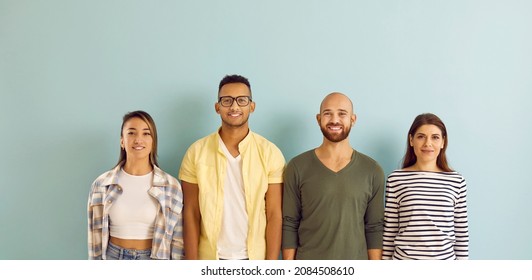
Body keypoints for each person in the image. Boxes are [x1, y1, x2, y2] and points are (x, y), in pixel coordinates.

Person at [179, 74, 285, 260]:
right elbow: (191, 212)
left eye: (242, 100)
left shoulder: (270, 153)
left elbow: (275, 214)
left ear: (252, 106)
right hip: (210, 258)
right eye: (227, 101)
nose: (234, 106)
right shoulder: (196, 152)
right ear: (217, 107)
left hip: (255, 259)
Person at [282, 92, 385, 260]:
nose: (334, 120)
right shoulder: (297, 166)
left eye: (342, 114)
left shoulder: (372, 171)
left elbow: (374, 227)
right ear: (318, 119)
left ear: (353, 119)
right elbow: (290, 222)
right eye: (327, 113)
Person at [87, 110, 184, 260]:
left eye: (146, 134)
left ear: (153, 141)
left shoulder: (170, 186)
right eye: (131, 133)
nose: (139, 139)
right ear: (122, 141)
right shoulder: (102, 185)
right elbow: (95, 236)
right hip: (113, 257)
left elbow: (178, 240)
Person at [382, 113, 469, 260]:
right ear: (411, 140)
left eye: (435, 137)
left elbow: (461, 235)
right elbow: (389, 231)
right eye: (421, 136)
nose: (428, 143)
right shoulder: (396, 179)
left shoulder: (457, 181)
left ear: (443, 142)